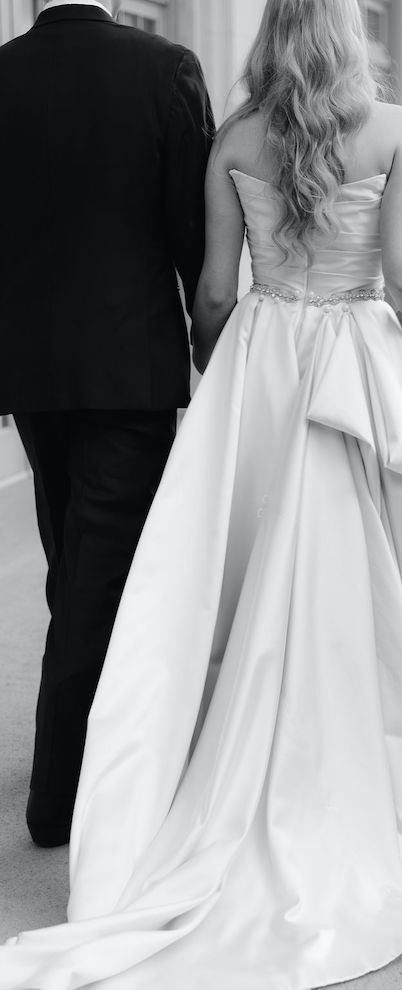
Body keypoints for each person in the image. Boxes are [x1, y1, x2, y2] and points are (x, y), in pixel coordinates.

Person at [0, 0, 402, 986]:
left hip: (263, 358)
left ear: (270, 39)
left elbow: (210, 289)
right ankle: (370, 764)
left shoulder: (233, 138)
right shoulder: (398, 130)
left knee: (233, 568)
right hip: (359, 362)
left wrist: (223, 368)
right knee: (360, 564)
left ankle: (208, 754)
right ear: (348, 37)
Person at [0, 0, 214, 848]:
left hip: (31, 370)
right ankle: (58, 798)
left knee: (75, 562)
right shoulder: (164, 69)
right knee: (99, 580)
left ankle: (84, 749)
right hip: (129, 368)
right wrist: (216, 351)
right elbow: (191, 236)